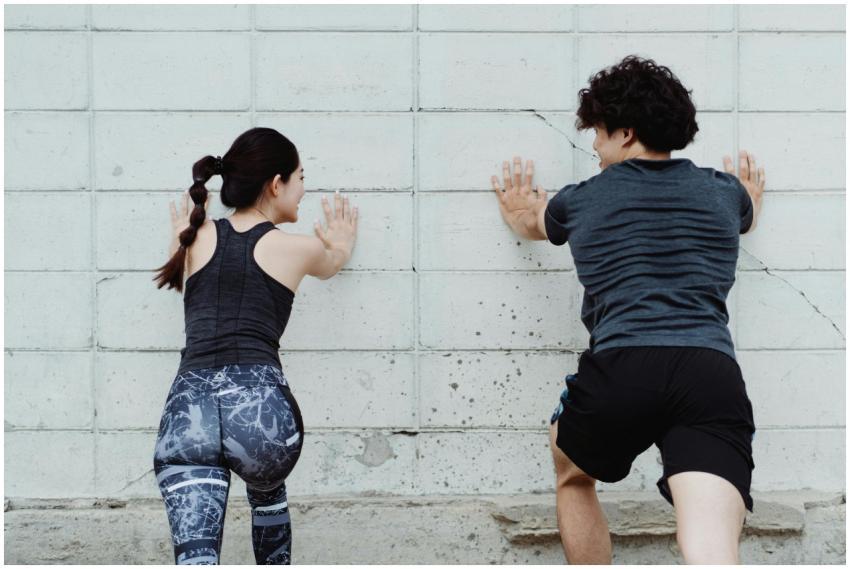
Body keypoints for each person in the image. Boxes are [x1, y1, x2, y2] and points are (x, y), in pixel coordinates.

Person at [490, 55, 765, 564]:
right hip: (709, 373)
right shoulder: (723, 193)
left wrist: (519, 212)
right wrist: (746, 195)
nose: (593, 145)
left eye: (597, 131)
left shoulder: (578, 201)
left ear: (626, 133)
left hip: (622, 367)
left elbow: (534, 226)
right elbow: (746, 211)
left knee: (573, 474)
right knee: (710, 545)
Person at [151, 127, 358, 565]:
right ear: (276, 183)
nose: (303, 190)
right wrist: (339, 243)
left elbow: (185, 247)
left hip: (188, 413)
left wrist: (182, 232)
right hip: (259, 412)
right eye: (300, 178)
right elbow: (334, 261)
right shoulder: (298, 248)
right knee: (267, 494)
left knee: (196, 558)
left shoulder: (190, 237)